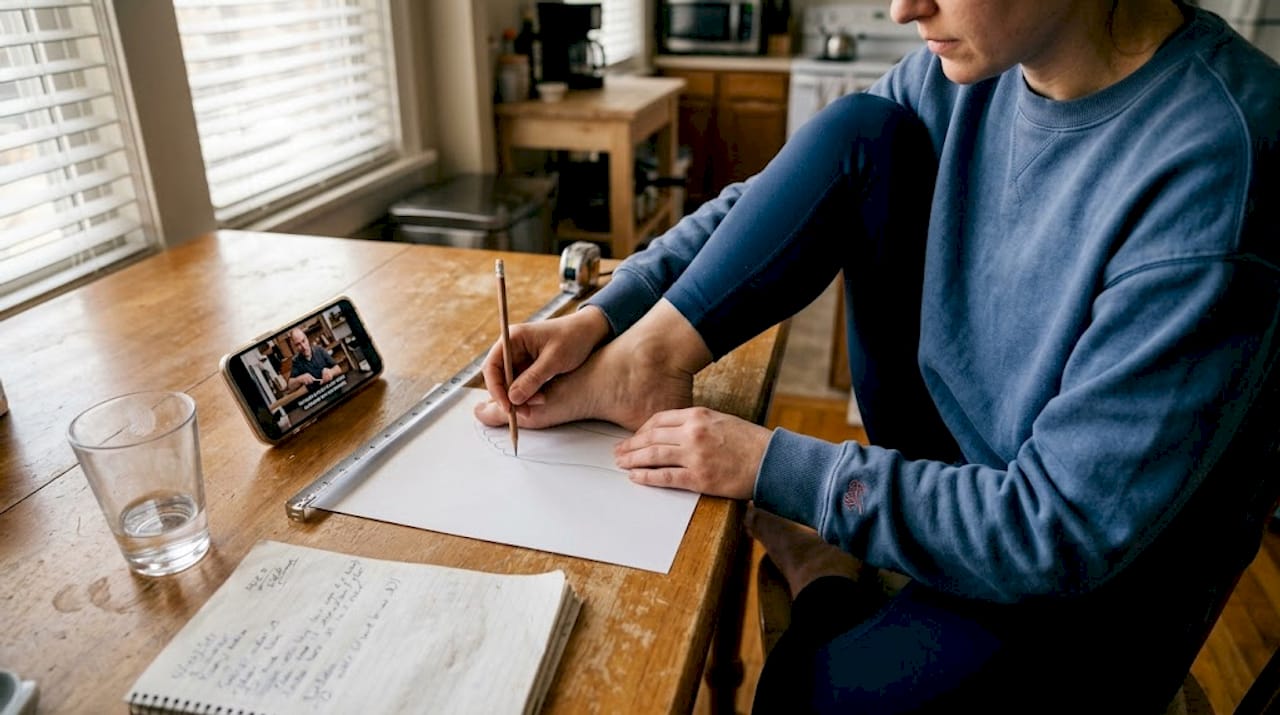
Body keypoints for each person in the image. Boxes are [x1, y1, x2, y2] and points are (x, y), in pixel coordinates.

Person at [477, 0, 1280, 711]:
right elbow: (770, 197)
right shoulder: (979, 64)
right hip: (965, 468)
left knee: (797, 698)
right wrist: (610, 312)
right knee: (856, 130)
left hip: (1083, 599)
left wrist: (773, 465)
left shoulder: (1215, 165)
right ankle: (646, 361)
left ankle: (824, 574)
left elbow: (1059, 532)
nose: (902, 8)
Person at [285, 327, 339, 392]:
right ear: (295, 347)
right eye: (298, 344)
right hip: (317, 396)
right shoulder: (297, 361)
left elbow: (338, 369)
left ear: (307, 339)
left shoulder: (319, 350)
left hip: (334, 388)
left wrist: (331, 372)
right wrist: (300, 379)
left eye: (303, 341)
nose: (303, 347)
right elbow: (290, 386)